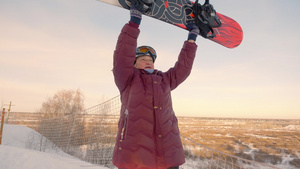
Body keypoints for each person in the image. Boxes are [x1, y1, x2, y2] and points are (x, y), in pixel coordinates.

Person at [112, 2, 199, 169]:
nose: (147, 62)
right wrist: (134, 23)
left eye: (150, 60)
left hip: (168, 153)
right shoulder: (127, 79)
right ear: (134, 63)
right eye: (142, 60)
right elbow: (122, 57)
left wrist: (191, 39)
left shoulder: (165, 80)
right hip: (136, 156)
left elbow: (183, 68)